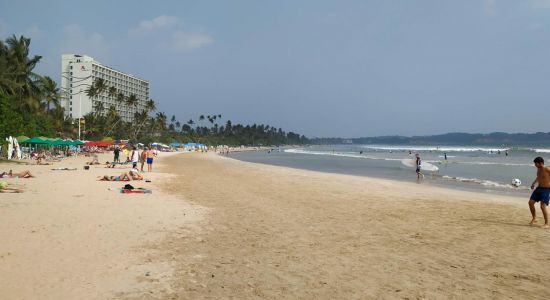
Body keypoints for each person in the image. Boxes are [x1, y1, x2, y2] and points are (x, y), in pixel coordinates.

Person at [529, 157, 550, 228]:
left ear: (541, 163)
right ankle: (534, 218)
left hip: (546, 189)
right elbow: (538, 177)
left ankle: (546, 224)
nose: (535, 165)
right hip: (539, 188)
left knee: (542, 206)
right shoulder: (538, 169)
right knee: (531, 202)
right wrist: (533, 183)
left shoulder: (547, 169)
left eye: (536, 163)